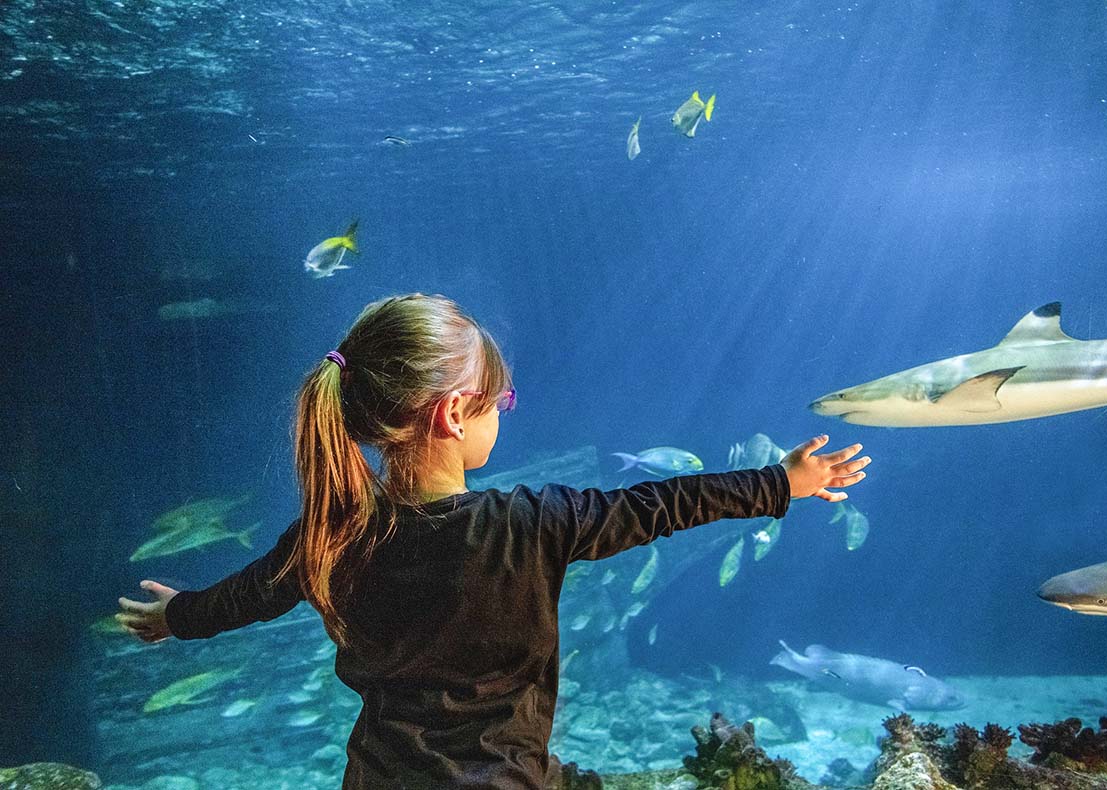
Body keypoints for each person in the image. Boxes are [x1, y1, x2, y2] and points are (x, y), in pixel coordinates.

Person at [117, 293, 871, 789]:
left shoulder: (332, 532)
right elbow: (659, 505)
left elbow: (252, 593)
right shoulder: (530, 524)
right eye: (499, 401)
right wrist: (780, 483)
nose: (503, 413)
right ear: (454, 414)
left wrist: (176, 615)